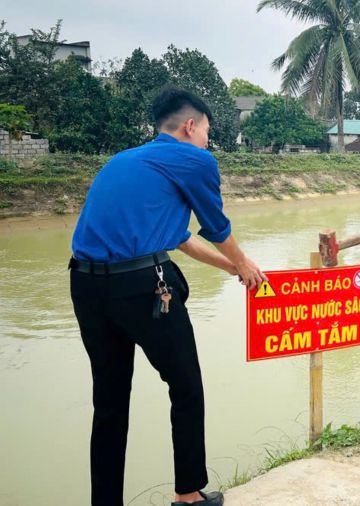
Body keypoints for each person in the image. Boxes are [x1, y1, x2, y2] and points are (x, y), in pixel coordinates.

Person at [69, 87, 266, 505]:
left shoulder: (124, 161)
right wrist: (246, 264)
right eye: (207, 132)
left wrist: (230, 267)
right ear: (190, 126)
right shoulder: (194, 159)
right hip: (142, 287)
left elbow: (178, 237)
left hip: (85, 285)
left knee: (109, 401)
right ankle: (189, 495)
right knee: (186, 386)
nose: (207, 142)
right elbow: (215, 225)